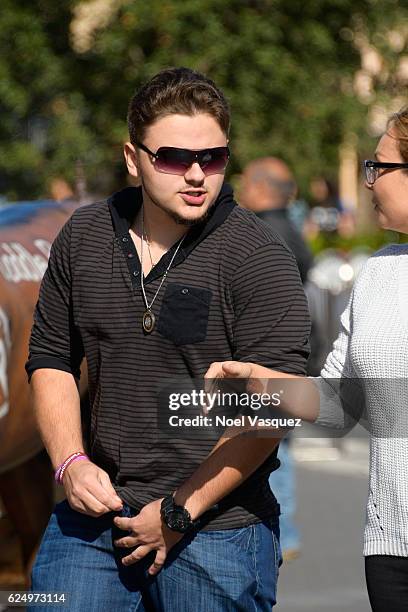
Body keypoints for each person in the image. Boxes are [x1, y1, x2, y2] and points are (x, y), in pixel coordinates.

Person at [25, 67, 310, 611]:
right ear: (133, 159)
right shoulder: (84, 236)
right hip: (93, 523)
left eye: (214, 157)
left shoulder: (258, 256)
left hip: (218, 531)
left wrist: (177, 513)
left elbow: (281, 407)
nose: (198, 174)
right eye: (175, 158)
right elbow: (52, 358)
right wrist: (70, 463)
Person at [215, 105, 408, 612]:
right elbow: (340, 405)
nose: (369, 183)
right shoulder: (380, 273)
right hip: (392, 548)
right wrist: (262, 382)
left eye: (379, 167)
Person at [239, 157, 314, 560]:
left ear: (263, 187)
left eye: (247, 181)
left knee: (272, 446)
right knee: (280, 444)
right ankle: (288, 532)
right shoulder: (291, 229)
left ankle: (284, 534)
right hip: (293, 358)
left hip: (270, 360)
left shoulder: (266, 233)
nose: (242, 189)